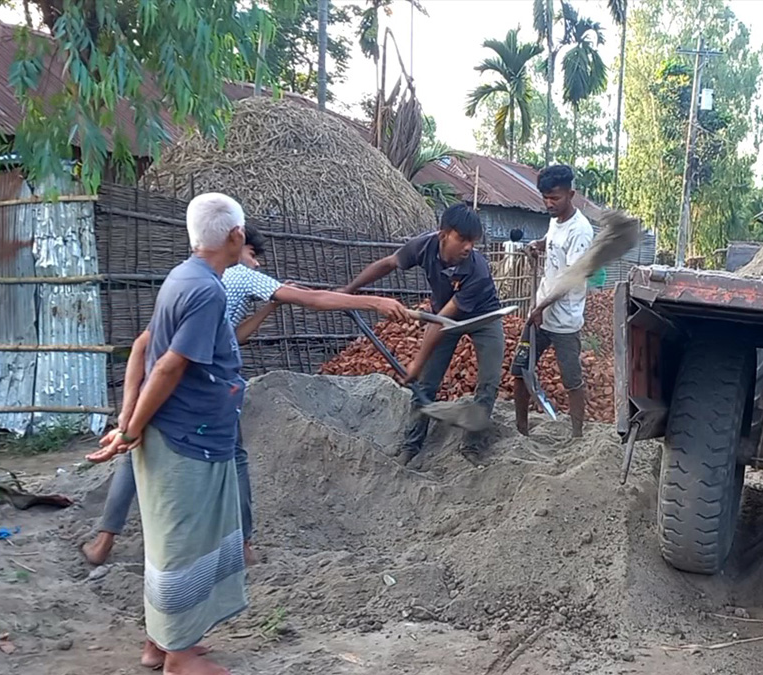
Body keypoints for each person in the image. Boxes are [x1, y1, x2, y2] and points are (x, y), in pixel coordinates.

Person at [81, 224, 408, 569]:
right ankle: (243, 546)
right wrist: (374, 300)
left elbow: (219, 340)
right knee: (233, 459)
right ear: (236, 245)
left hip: (165, 379)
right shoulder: (242, 275)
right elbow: (315, 299)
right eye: (254, 255)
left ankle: (104, 542)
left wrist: (129, 417)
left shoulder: (186, 280)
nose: (257, 264)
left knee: (136, 453)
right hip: (204, 389)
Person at [85, 193, 249, 675]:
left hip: (189, 433)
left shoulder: (184, 277)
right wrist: (130, 428)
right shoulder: (206, 291)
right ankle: (177, 657)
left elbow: (147, 349)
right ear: (235, 236)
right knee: (182, 542)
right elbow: (170, 365)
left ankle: (162, 643)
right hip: (186, 437)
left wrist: (128, 423)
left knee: (180, 538)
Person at [342, 202, 504, 464]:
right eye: (462, 239)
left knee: (489, 382)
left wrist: (416, 363)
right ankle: (411, 445)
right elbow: (388, 263)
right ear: (443, 235)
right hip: (443, 315)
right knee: (427, 384)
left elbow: (441, 320)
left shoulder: (478, 271)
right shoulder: (423, 246)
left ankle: (472, 447)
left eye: (472, 241)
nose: (468, 247)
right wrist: (349, 291)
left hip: (484, 318)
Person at [513, 165, 594, 439]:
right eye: (545, 198)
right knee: (521, 368)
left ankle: (577, 435)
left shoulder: (581, 231)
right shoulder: (555, 219)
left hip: (564, 321)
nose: (549, 203)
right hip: (541, 315)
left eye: (555, 198)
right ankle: (521, 430)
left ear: (571, 194)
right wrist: (539, 244)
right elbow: (552, 239)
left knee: (572, 380)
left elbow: (571, 278)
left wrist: (541, 307)